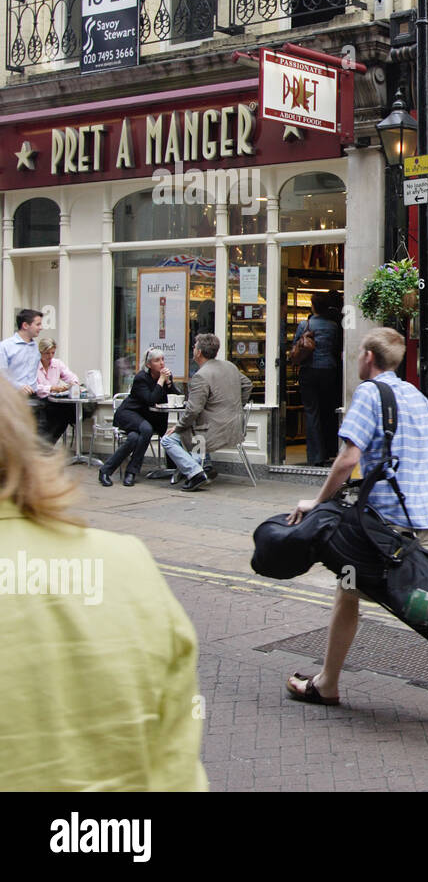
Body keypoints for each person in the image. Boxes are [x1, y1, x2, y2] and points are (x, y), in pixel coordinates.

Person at [0, 380, 207, 791]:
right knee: (142, 433)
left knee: (145, 434)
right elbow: (178, 773)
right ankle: (118, 471)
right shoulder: (129, 565)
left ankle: (116, 470)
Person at [283, 328, 428, 732]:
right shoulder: (414, 394)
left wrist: (318, 502)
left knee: (347, 588)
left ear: (369, 358)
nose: (356, 360)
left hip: (385, 527)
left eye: (358, 353)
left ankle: (327, 684)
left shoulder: (370, 394)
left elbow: (347, 458)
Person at [162, 333, 254, 493]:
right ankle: (203, 466)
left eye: (194, 346)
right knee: (195, 430)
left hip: (212, 432)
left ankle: (195, 473)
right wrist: (236, 406)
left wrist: (177, 427)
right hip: (235, 428)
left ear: (198, 352)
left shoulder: (201, 376)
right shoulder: (229, 366)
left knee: (168, 440)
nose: (193, 349)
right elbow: (247, 384)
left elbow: (193, 410)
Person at [99, 348, 178, 488]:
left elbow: (175, 395)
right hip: (128, 413)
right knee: (146, 430)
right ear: (149, 365)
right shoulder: (141, 378)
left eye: (162, 359)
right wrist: (161, 381)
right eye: (157, 360)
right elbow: (150, 399)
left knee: (134, 438)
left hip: (144, 418)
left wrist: (169, 383)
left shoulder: (165, 377)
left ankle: (106, 470)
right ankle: (131, 472)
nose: (162, 363)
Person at [292, 292, 343, 467]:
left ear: (313, 307)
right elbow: (336, 347)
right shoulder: (333, 326)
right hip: (329, 370)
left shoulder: (304, 324)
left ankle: (315, 455)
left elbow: (295, 346)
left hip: (309, 371)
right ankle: (330, 449)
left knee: (311, 411)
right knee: (328, 410)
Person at [1, 309, 44, 429]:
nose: (41, 328)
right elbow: (1, 374)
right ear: (25, 325)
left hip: (34, 400)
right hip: (14, 400)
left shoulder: (34, 346)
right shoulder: (5, 346)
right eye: (38, 324)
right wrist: (18, 386)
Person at [36, 335, 79, 446]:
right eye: (47, 353)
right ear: (41, 352)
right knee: (57, 415)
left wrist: (73, 383)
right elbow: (33, 387)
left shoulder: (57, 364)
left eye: (53, 353)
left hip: (53, 400)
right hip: (39, 400)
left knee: (65, 414)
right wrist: (52, 388)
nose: (50, 356)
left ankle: (48, 445)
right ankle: (44, 446)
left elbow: (71, 376)